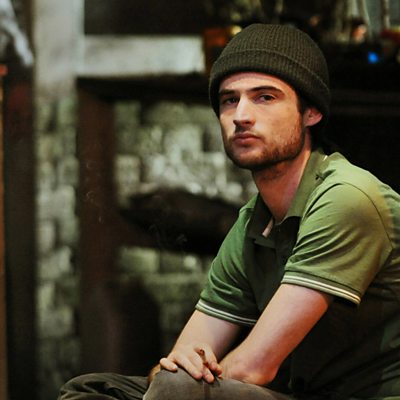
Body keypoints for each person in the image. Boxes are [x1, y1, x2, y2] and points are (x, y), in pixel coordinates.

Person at [59, 23, 400, 400]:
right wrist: (175, 369)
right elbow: (180, 360)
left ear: (311, 112)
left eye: (265, 97)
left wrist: (179, 380)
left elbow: (255, 368)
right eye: (228, 100)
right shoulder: (254, 223)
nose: (241, 115)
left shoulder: (347, 198)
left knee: (177, 389)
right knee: (90, 390)